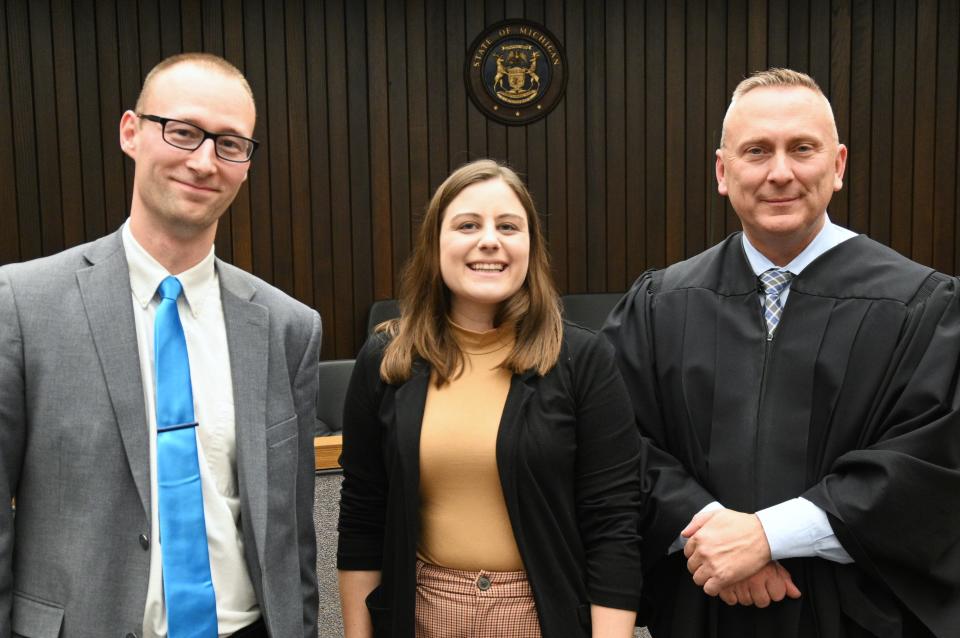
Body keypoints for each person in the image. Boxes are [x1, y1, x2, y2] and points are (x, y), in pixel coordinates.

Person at [602, 67, 960, 637]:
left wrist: (770, 535)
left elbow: (932, 463)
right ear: (723, 171)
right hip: (701, 609)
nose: (780, 173)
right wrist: (713, 531)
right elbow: (615, 442)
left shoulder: (921, 305)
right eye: (756, 151)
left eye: (802, 149)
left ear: (838, 165)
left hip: (857, 617)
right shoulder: (661, 304)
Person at [0, 53, 320, 637]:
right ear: (132, 132)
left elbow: (291, 532)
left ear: (247, 164)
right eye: (183, 132)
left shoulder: (286, 327)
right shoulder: (23, 303)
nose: (204, 162)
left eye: (230, 144)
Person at [337, 159, 643, 638]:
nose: (489, 241)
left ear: (529, 246)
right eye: (467, 225)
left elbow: (614, 525)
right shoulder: (386, 358)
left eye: (507, 226)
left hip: (542, 614)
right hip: (421, 612)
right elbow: (362, 516)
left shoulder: (583, 359)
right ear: (435, 244)